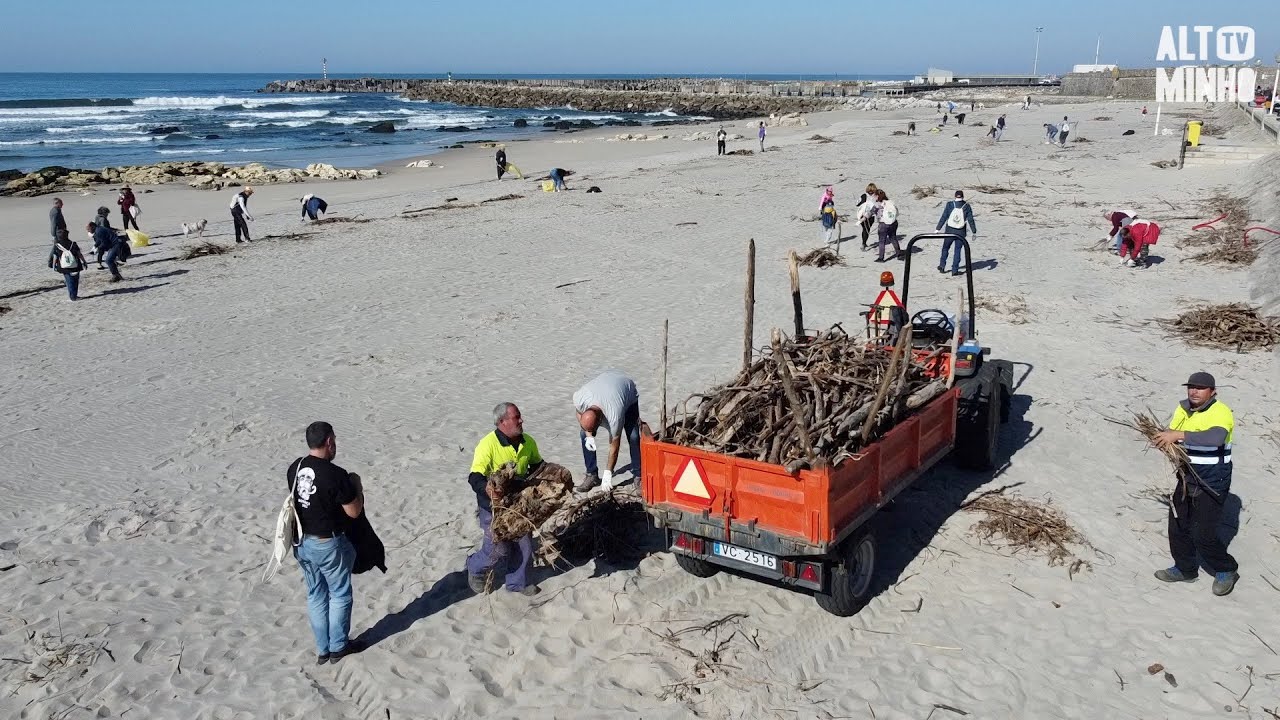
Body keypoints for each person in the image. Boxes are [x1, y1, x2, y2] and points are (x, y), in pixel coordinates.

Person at [1152, 372, 1239, 596]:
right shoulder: (1183, 409)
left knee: (1203, 533)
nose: (1194, 391)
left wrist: (1178, 434)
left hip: (1212, 479)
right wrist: (1165, 441)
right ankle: (1185, 569)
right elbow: (1174, 437)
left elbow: (1215, 438)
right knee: (1178, 525)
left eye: (1200, 388)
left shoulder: (1221, 411)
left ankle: (1226, 569)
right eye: (1191, 387)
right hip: (1186, 476)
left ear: (1212, 392)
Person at [286, 421, 366, 664]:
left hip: (302, 543)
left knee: (316, 594)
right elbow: (354, 511)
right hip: (326, 544)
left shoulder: (294, 468)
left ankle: (323, 648)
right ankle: (338, 646)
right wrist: (358, 488)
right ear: (329, 442)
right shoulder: (336, 475)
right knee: (340, 593)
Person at [465, 403, 542, 596]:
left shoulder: (528, 442)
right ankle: (474, 567)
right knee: (498, 548)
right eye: (516, 417)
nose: (521, 420)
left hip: (517, 504)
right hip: (492, 506)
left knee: (523, 543)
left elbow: (538, 466)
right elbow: (474, 476)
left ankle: (516, 583)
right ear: (502, 422)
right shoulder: (487, 444)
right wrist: (488, 489)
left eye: (520, 416)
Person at [573, 370, 641, 492]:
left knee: (633, 436)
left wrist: (608, 473)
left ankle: (638, 475)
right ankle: (591, 474)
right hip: (604, 384)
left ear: (600, 420)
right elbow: (578, 413)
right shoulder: (580, 397)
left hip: (627, 392)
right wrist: (589, 435)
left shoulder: (614, 415)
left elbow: (614, 446)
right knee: (583, 434)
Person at [936, 190, 977, 276]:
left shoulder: (950, 204)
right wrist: (974, 231)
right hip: (960, 232)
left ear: (955, 196)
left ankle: (942, 266)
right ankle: (955, 270)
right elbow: (970, 220)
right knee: (957, 251)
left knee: (945, 248)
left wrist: (938, 228)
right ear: (963, 196)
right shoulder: (967, 206)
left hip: (949, 231)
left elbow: (944, 216)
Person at [47, 229, 88, 301]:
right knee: (75, 281)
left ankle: (72, 297)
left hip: (64, 267)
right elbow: (79, 254)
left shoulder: (57, 246)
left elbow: (55, 257)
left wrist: (54, 266)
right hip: (76, 265)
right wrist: (84, 262)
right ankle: (74, 295)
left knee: (69, 281)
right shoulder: (73, 243)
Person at [873, 190, 902, 263]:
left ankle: (881, 258)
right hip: (893, 222)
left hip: (883, 224)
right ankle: (899, 254)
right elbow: (897, 212)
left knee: (882, 241)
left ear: (877, 196)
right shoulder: (891, 202)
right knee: (893, 238)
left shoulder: (878, 204)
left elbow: (875, 213)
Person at [857, 183, 879, 251]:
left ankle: (864, 242)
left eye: (872, 191)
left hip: (871, 216)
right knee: (865, 229)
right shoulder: (864, 196)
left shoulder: (876, 196)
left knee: (867, 229)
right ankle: (863, 244)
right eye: (869, 190)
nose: (870, 192)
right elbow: (858, 204)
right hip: (863, 215)